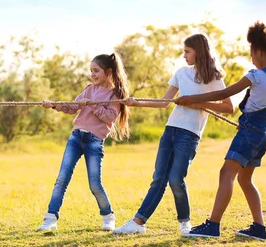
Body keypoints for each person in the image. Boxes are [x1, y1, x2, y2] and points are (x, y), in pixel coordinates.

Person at [178, 22, 266, 241]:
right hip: (263, 133)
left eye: (252, 53)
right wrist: (259, 127)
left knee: (226, 173)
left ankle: (213, 225)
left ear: (259, 51)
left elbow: (227, 92)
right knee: (245, 180)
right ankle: (259, 227)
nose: (251, 58)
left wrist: (192, 99)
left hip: (249, 132)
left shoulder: (255, 76)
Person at [114, 34, 233, 235]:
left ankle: (184, 223)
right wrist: (137, 103)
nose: (183, 55)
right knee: (159, 178)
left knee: (176, 179)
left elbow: (228, 107)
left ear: (199, 51)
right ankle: (138, 223)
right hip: (171, 130)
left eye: (187, 51)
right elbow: (163, 102)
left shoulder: (214, 76)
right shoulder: (181, 73)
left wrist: (195, 102)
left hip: (190, 134)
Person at [36, 53, 130, 232]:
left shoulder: (115, 95)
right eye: (91, 71)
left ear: (108, 71)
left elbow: (109, 117)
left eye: (96, 71)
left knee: (94, 183)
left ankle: (108, 216)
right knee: (62, 179)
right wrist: (54, 105)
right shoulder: (89, 89)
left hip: (94, 141)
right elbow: (73, 107)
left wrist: (93, 105)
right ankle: (50, 218)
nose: (92, 75)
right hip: (76, 137)